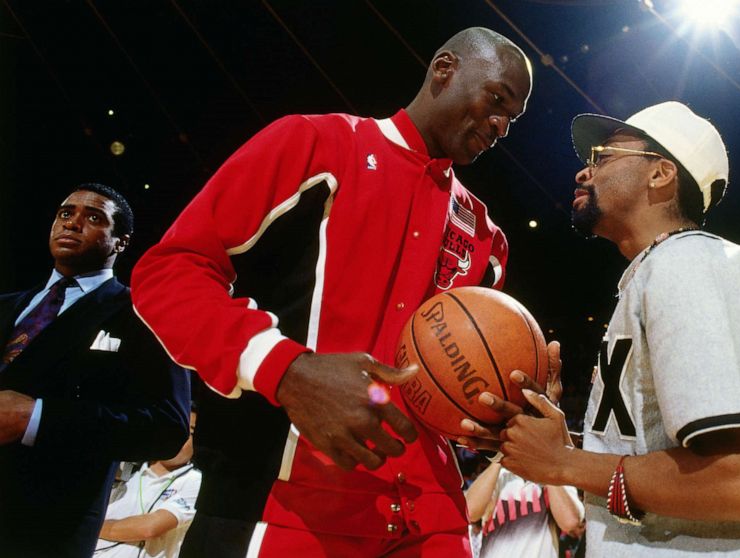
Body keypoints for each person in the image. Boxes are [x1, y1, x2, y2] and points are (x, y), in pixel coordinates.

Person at [130, 27, 535, 556]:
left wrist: (496, 412)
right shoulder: (314, 143)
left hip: (433, 519)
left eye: (513, 117)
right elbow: (168, 271)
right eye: (497, 100)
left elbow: (448, 391)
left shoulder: (487, 237)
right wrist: (286, 369)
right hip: (279, 506)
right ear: (444, 69)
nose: (502, 125)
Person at [483, 101, 740, 555]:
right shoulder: (663, 270)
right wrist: (561, 441)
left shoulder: (687, 263)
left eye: (602, 156)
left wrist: (566, 463)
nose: (584, 173)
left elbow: (736, 481)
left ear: (661, 173)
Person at [0, 184, 192, 557]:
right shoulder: (7, 306)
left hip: (43, 529)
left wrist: (37, 417)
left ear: (121, 241)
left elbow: (167, 426)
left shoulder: (142, 315)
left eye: (93, 218)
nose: (72, 224)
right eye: (65, 213)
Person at [95, 411, 201, 558]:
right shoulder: (124, 468)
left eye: (188, 432)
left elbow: (149, 528)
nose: (177, 439)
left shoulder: (194, 481)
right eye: (173, 429)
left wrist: (90, 527)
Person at [465, 461, 584, 557]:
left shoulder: (556, 478)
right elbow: (469, 513)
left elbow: (570, 522)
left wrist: (547, 463)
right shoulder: (500, 475)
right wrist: (499, 458)